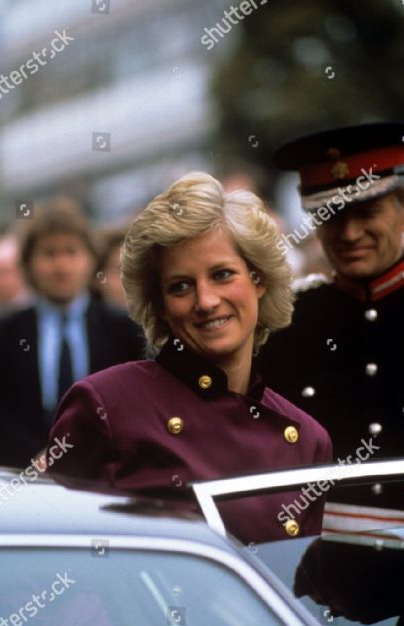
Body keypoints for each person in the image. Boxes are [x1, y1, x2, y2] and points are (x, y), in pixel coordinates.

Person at [46, 172, 332, 545]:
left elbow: (298, 593)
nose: (206, 301)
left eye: (222, 274)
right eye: (180, 286)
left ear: (258, 280)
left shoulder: (308, 439)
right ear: (160, 306)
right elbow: (52, 561)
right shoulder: (106, 406)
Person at [256, 122, 404, 507]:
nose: (350, 233)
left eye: (368, 212)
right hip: (326, 553)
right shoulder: (287, 323)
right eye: (333, 217)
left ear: (400, 208)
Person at [0, 197, 143, 468]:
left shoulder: (125, 331)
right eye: (49, 253)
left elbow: (134, 408)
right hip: (24, 478)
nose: (61, 266)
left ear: (90, 259)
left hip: (108, 477)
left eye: (72, 252)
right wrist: (37, 458)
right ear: (28, 263)